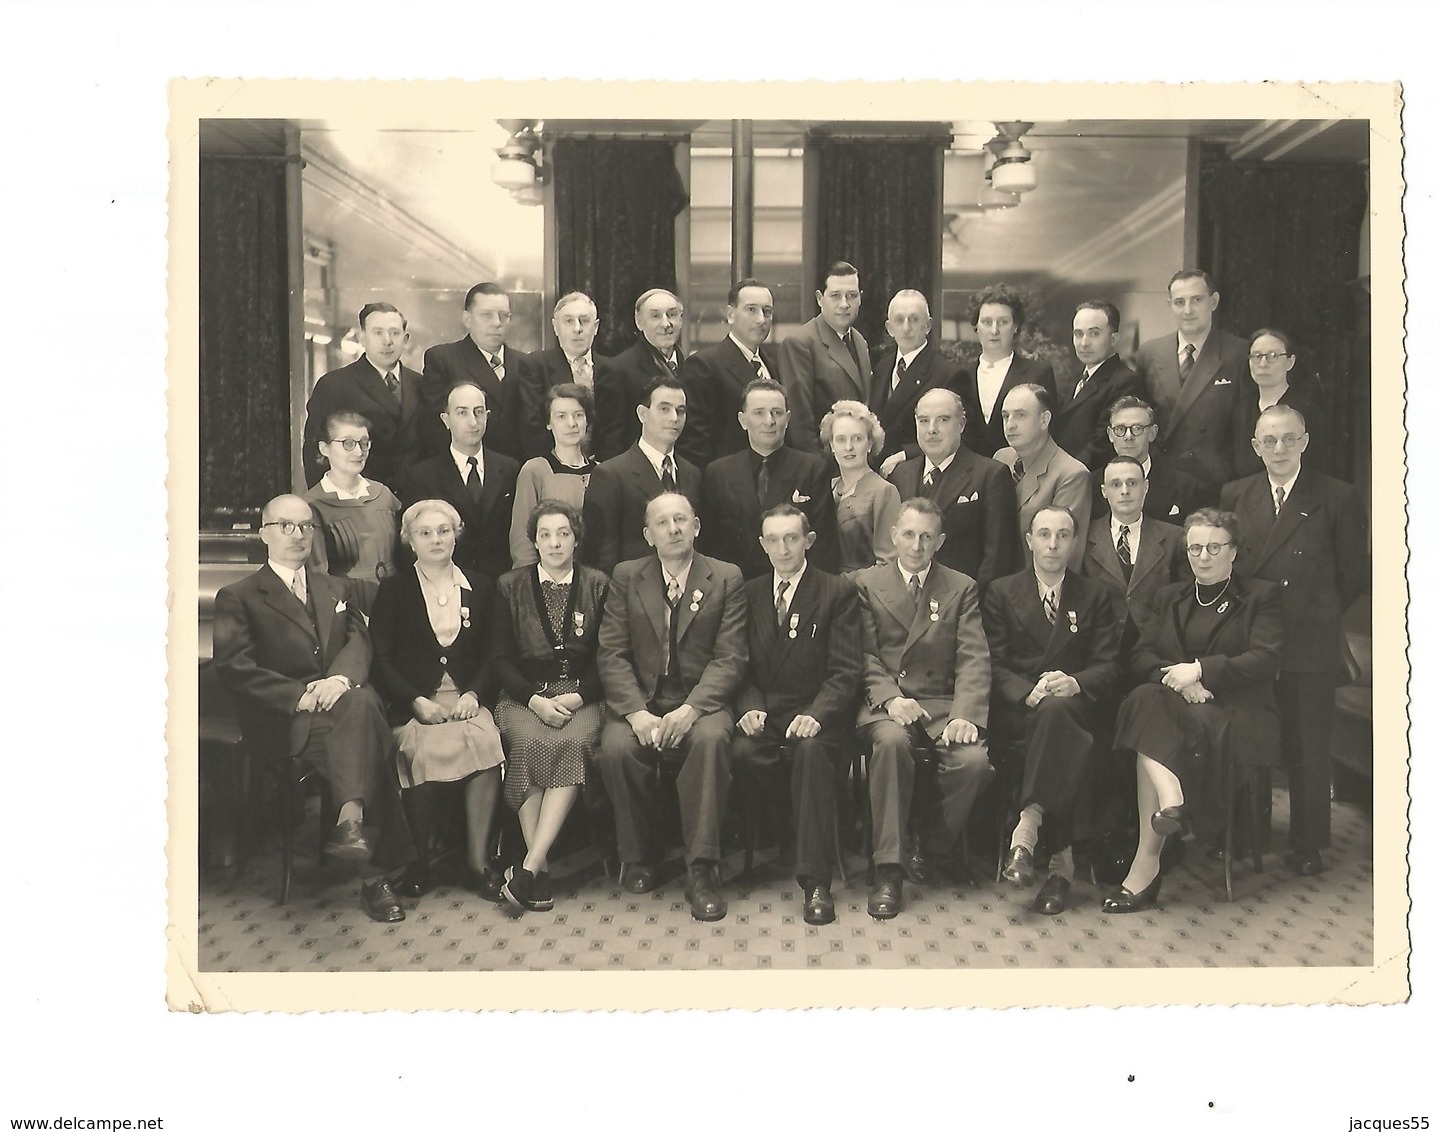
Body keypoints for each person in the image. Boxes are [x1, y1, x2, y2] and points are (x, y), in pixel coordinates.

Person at [212, 494, 418, 923]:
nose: (297, 535)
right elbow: (234, 667)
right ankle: (369, 860)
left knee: (359, 705)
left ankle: (353, 826)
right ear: (264, 533)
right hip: (284, 720)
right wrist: (300, 696)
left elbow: (360, 640)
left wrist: (339, 680)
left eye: (305, 526)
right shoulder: (239, 596)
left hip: (339, 705)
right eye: (285, 526)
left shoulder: (335, 587)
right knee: (369, 722)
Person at [1102, 508, 1284, 913]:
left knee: (1148, 722)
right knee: (1143, 698)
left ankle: (1147, 862)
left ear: (1233, 551)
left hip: (1236, 711)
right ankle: (1170, 801)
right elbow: (1141, 654)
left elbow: (1265, 659)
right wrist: (1181, 684)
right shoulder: (1173, 596)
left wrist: (1202, 672)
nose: (1203, 556)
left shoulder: (1261, 596)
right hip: (1177, 704)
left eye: (1214, 547)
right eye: (1195, 547)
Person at [1221, 405, 1369, 876]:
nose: (1279, 449)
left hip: (1309, 640)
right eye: (1269, 440)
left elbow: (1350, 576)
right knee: (1251, 736)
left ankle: (1308, 843)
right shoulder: (1235, 494)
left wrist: (1311, 613)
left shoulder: (1338, 496)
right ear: (1255, 446)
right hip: (1252, 641)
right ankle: (1251, 834)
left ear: (1305, 441)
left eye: (1289, 439)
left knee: (1308, 745)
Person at [595, 492, 747, 922]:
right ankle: (640, 854)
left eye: (681, 519)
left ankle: (701, 867)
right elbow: (611, 653)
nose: (674, 529)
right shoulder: (627, 576)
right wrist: (636, 712)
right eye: (663, 523)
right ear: (648, 534)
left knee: (712, 742)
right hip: (643, 698)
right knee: (618, 749)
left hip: (702, 700)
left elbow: (731, 656)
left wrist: (694, 708)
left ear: (696, 526)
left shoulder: (726, 576)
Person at [853, 497, 993, 919]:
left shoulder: (960, 586)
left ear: (940, 541)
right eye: (909, 534)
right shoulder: (864, 582)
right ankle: (889, 869)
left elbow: (973, 655)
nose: (916, 545)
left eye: (926, 537)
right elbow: (860, 653)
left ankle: (928, 845)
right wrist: (891, 698)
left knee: (973, 762)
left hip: (940, 704)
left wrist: (966, 714)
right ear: (894, 536)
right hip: (884, 701)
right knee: (893, 744)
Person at [982, 506, 1123, 916]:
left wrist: (1076, 682)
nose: (1053, 544)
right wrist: (1028, 691)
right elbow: (992, 662)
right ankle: (1061, 866)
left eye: (1063, 535)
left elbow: (1109, 664)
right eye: (1044, 534)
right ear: (1029, 540)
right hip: (1020, 712)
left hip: (1077, 707)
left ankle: (1026, 830)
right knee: (1058, 726)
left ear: (1074, 543)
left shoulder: (1094, 594)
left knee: (1060, 716)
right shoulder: (1001, 592)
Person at [369, 500, 506, 900]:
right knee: (420, 751)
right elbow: (381, 659)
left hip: (465, 698)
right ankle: (420, 864)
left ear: (457, 534)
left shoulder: (481, 586)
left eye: (444, 530)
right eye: (425, 533)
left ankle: (478, 862)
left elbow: (492, 655)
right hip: (417, 704)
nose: (436, 540)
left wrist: (474, 694)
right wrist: (415, 700)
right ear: (409, 540)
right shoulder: (394, 590)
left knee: (485, 742)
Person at [732, 505, 863, 926]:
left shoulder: (835, 591)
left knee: (809, 755)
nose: (783, 548)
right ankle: (785, 834)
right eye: (773, 539)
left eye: (791, 538)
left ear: (808, 541)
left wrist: (817, 714)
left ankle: (816, 881)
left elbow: (846, 672)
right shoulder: (749, 593)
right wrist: (750, 707)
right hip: (767, 714)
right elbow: (740, 666)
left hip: (819, 714)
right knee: (744, 755)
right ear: (762, 544)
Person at [490, 500, 611, 912]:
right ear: (534, 542)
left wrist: (578, 696)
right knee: (525, 741)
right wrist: (535, 701)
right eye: (545, 535)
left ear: (576, 539)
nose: (555, 542)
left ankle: (528, 868)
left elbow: (609, 657)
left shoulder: (598, 583)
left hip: (582, 694)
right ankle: (536, 870)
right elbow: (501, 660)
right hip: (526, 695)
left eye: (563, 533)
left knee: (575, 741)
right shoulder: (510, 585)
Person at [699, 379, 838, 578]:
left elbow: (825, 546)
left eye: (777, 413)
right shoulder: (718, 473)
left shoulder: (812, 468)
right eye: (759, 413)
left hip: (793, 588)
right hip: (735, 588)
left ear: (788, 419)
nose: (769, 421)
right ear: (743, 420)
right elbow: (708, 546)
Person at [300, 302, 445, 488]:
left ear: (406, 339)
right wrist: (328, 505)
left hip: (416, 498)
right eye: (378, 333)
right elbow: (315, 452)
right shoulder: (335, 385)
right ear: (362, 338)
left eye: (395, 333)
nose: (387, 341)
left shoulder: (422, 384)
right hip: (359, 500)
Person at [1132, 269, 1251, 493]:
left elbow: (1244, 430)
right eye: (1179, 302)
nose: (1187, 310)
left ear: (1213, 302)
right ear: (1170, 305)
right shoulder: (1149, 353)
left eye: (1196, 300)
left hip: (1215, 483)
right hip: (1163, 482)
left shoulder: (1238, 353)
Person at [889, 388, 1018, 593]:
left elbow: (997, 557)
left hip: (963, 605)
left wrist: (967, 605)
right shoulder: (899, 475)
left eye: (943, 420)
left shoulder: (990, 475)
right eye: (924, 421)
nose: (932, 429)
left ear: (962, 424)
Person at [394, 381, 520, 581]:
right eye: (462, 413)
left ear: (487, 417)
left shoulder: (511, 470)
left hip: (501, 585)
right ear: (446, 420)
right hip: (445, 585)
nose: (473, 422)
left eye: (478, 412)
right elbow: (411, 544)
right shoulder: (422, 476)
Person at [581, 375, 702, 576]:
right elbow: (599, 557)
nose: (674, 418)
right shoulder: (611, 475)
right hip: (631, 594)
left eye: (680, 411)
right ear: (642, 414)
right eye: (664, 409)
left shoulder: (692, 474)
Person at [423, 281, 542, 464]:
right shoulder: (443, 359)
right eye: (486, 315)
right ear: (467, 319)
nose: (497, 323)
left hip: (516, 472)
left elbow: (532, 428)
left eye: (503, 316)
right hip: (464, 470)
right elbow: (436, 428)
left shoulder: (525, 363)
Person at [1083, 455, 1188, 645]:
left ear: (1145, 487)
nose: (1124, 491)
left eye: (1132, 483)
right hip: (1101, 648)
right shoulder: (1084, 538)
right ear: (1104, 491)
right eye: (1116, 485)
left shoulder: (1174, 537)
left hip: (1156, 647)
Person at [303, 411, 402, 610]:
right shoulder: (312, 506)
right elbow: (318, 578)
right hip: (350, 608)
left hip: (397, 602)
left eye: (364, 443)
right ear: (325, 448)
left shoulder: (383, 494)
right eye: (348, 443)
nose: (359, 452)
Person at [994, 384, 1092, 569]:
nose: (1010, 424)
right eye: (1006, 416)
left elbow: (1064, 556)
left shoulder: (1071, 474)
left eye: (1020, 415)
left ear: (1044, 420)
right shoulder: (1001, 458)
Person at [954, 285, 1058, 458]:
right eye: (987, 322)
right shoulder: (960, 376)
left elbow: (1050, 432)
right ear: (976, 326)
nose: (994, 330)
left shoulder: (1039, 373)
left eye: (1003, 322)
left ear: (1015, 326)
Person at [686, 278, 784, 462]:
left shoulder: (773, 365)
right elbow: (695, 443)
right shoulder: (704, 365)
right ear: (730, 314)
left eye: (767, 311)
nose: (761, 319)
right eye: (751, 310)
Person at [868, 289, 963, 474]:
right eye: (899, 320)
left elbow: (959, 436)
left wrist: (905, 454)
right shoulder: (882, 368)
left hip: (916, 473)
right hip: (877, 473)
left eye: (914, 319)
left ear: (928, 326)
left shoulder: (947, 373)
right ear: (889, 328)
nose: (906, 327)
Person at [781, 260, 872, 453]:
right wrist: (820, 470)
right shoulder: (800, 343)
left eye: (852, 296)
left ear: (861, 298)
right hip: (824, 467)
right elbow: (800, 425)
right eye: (835, 296)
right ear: (820, 298)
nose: (844, 304)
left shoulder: (860, 341)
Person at [596, 288, 693, 463]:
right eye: (655, 316)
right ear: (639, 322)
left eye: (672, 315)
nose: (666, 324)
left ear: (681, 319)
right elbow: (611, 443)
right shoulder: (618, 369)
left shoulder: (694, 368)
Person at [509, 383, 598, 568]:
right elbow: (522, 540)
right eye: (561, 416)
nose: (571, 423)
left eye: (578, 415)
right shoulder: (535, 470)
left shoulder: (603, 471)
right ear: (549, 423)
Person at [1053, 300, 1144, 470]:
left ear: (1113, 338)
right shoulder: (1077, 379)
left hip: (1092, 481)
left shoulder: (1125, 382)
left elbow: (1103, 445)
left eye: (1094, 334)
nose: (1084, 343)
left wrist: (1063, 474)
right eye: (1078, 334)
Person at [1089, 394, 1205, 523]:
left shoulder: (1184, 486)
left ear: (1152, 433)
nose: (1128, 436)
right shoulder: (1092, 485)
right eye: (1120, 429)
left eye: (1137, 428)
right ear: (1110, 435)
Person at [1232, 328, 1325, 479]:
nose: (1263, 363)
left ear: (1290, 362)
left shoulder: (1306, 410)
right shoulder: (1241, 411)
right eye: (1256, 356)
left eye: (1273, 356)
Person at [822, 400, 901, 574]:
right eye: (841, 440)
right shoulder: (827, 487)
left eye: (857, 439)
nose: (848, 447)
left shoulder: (884, 491)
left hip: (863, 593)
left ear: (870, 444)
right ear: (832, 446)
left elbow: (888, 563)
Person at [532, 291, 613, 395]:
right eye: (569, 321)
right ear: (555, 327)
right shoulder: (537, 367)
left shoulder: (612, 369)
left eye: (584, 320)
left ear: (596, 327)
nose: (577, 329)